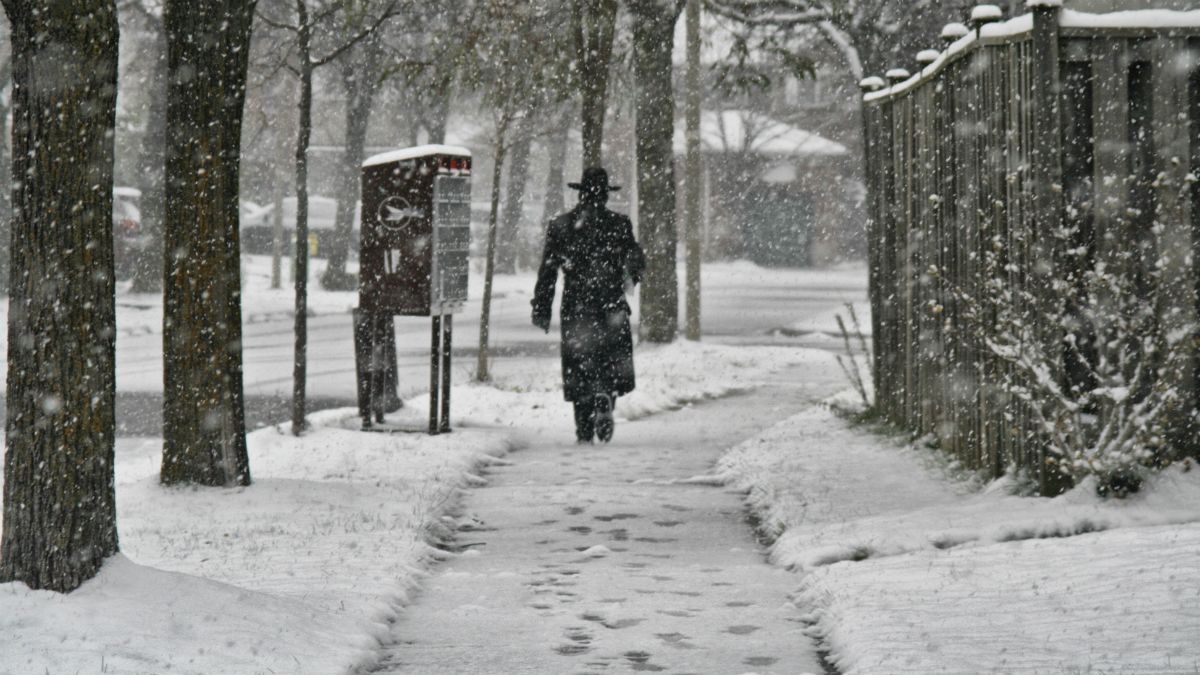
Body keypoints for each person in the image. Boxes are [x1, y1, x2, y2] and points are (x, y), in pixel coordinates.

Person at [532, 167, 645, 443]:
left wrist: (542, 307)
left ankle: (583, 428)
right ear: (606, 196)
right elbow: (635, 262)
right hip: (612, 306)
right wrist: (628, 276)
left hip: (576, 307)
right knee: (611, 360)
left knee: (579, 366)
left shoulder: (560, 226)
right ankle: (606, 397)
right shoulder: (620, 225)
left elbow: (548, 271)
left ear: (581, 193)